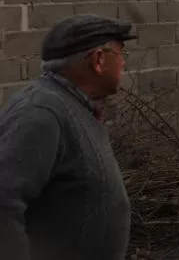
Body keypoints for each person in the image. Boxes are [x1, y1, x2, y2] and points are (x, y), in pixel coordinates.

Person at [0, 14, 136, 260]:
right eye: (120, 54)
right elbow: (3, 202)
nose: (123, 63)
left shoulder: (73, 105)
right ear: (98, 59)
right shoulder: (41, 112)